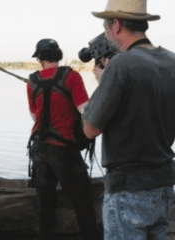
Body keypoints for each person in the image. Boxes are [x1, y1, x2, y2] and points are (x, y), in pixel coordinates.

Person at [83, 0, 175, 239]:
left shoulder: (120, 65)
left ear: (116, 25)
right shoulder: (171, 61)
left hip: (128, 189)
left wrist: (103, 81)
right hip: (164, 184)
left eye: (105, 28)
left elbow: (90, 129)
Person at [27, 38, 102, 240]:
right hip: (64, 148)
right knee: (82, 199)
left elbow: (35, 116)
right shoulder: (71, 76)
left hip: (39, 148)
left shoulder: (32, 81)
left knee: (45, 201)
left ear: (40, 59)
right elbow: (85, 110)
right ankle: (91, 236)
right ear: (58, 56)